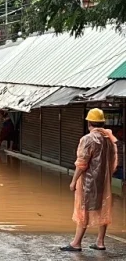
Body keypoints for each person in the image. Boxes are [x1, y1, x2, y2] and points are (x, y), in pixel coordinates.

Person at [60, 108, 118, 252]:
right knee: (103, 207)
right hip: (104, 181)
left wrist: (73, 181)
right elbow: (114, 161)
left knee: (83, 209)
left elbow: (82, 163)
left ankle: (76, 243)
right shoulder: (109, 139)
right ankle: (100, 242)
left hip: (89, 181)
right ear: (102, 123)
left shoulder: (87, 139)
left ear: (89, 123)